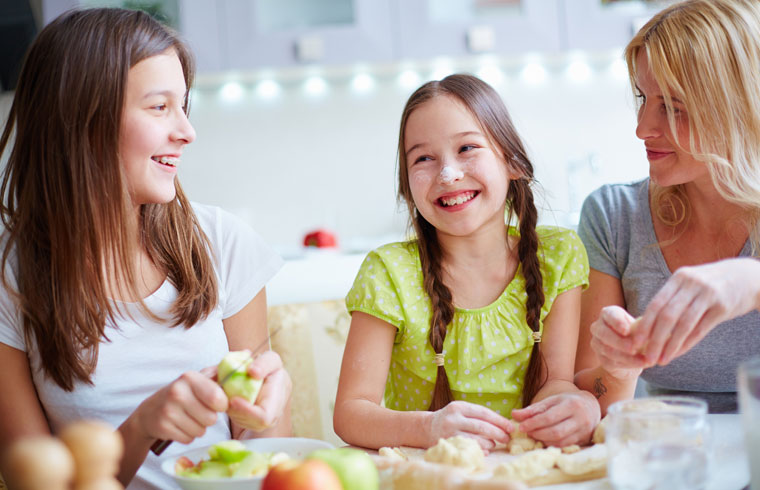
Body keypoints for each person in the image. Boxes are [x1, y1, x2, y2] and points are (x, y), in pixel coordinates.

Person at [0, 8, 291, 489]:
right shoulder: (13, 276)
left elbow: (266, 449)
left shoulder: (221, 242)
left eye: (184, 106)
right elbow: (38, 482)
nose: (186, 131)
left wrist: (263, 410)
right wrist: (141, 428)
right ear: (82, 120)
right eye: (160, 107)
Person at [333, 74, 600, 451]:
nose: (448, 173)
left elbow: (555, 381)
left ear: (513, 162)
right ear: (407, 186)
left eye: (467, 148)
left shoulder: (557, 256)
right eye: (424, 158)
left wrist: (570, 404)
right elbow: (350, 413)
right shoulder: (388, 272)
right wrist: (427, 429)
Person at [575, 0, 760, 415]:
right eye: (643, 97)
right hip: (674, 454)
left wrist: (751, 282)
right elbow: (596, 400)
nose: (642, 128)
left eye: (674, 107)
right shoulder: (613, 216)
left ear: (738, 107)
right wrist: (620, 368)